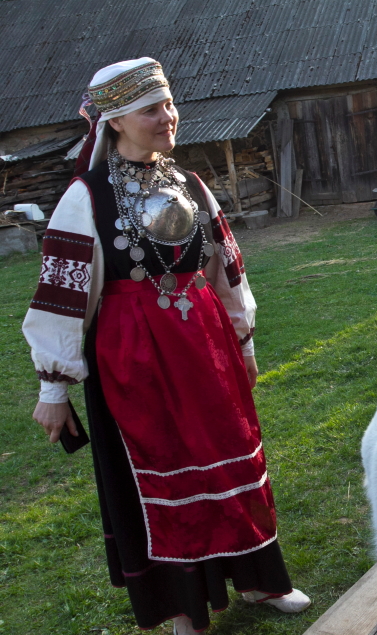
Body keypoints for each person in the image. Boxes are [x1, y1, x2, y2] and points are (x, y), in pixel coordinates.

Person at [23, 58, 309, 635]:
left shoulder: (190, 183)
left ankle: (258, 578)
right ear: (117, 122)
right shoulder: (86, 198)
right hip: (135, 359)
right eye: (152, 109)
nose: (167, 117)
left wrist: (244, 340)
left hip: (206, 344)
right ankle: (186, 606)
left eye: (169, 103)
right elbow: (62, 295)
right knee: (166, 469)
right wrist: (53, 387)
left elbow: (227, 267)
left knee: (232, 452)